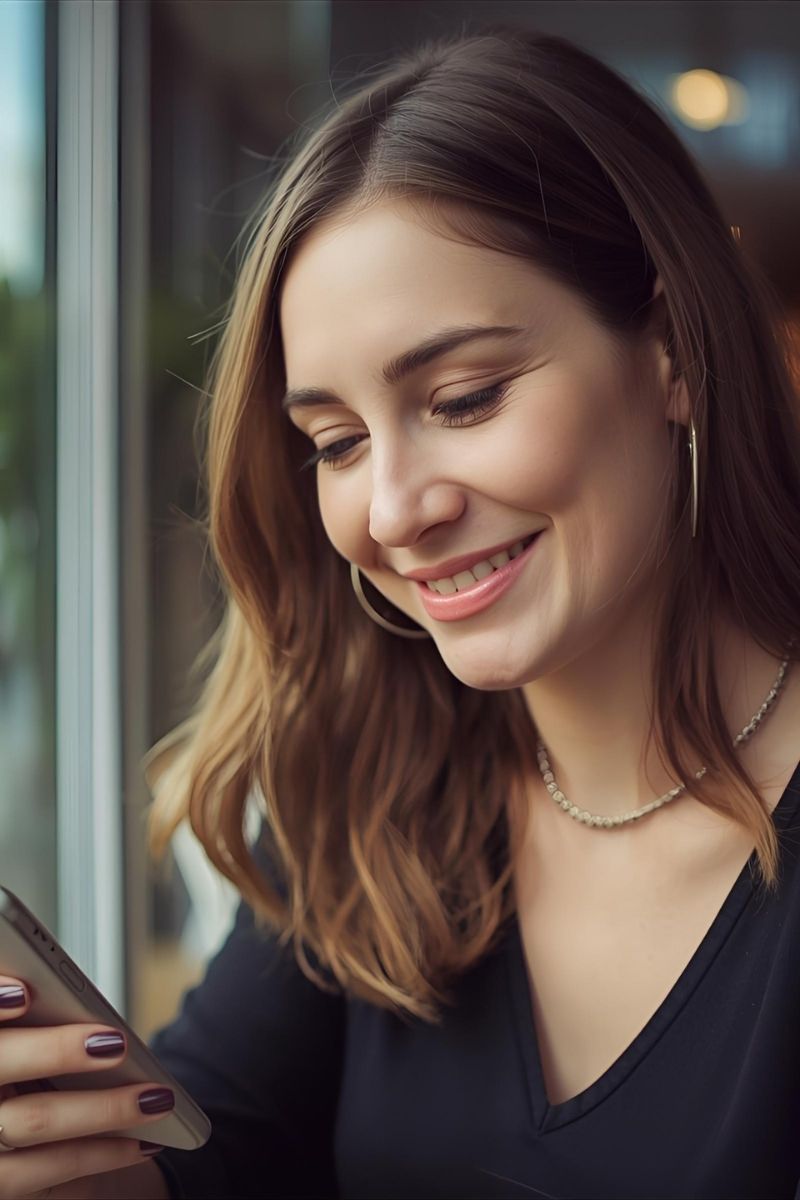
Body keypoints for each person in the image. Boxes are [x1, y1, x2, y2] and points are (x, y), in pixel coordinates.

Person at [1, 21, 799, 1200]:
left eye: (464, 398)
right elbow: (223, 1147)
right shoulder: (375, 787)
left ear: (671, 349)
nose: (392, 510)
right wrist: (77, 1152)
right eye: (334, 442)